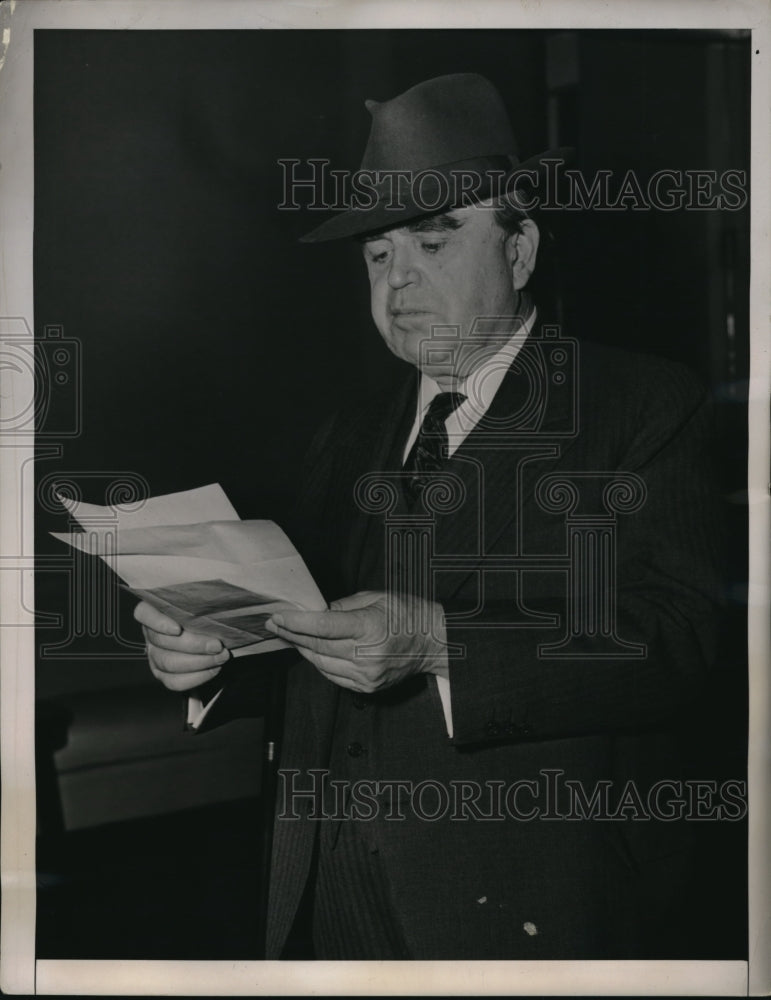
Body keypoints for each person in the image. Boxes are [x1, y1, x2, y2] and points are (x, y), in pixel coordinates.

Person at [135, 74, 722, 959]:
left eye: (434, 242)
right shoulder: (348, 434)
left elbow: (679, 644)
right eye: (377, 255)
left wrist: (440, 642)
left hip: (522, 906)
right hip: (326, 897)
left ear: (519, 251)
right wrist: (210, 657)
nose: (399, 281)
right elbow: (314, 643)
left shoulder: (636, 405)